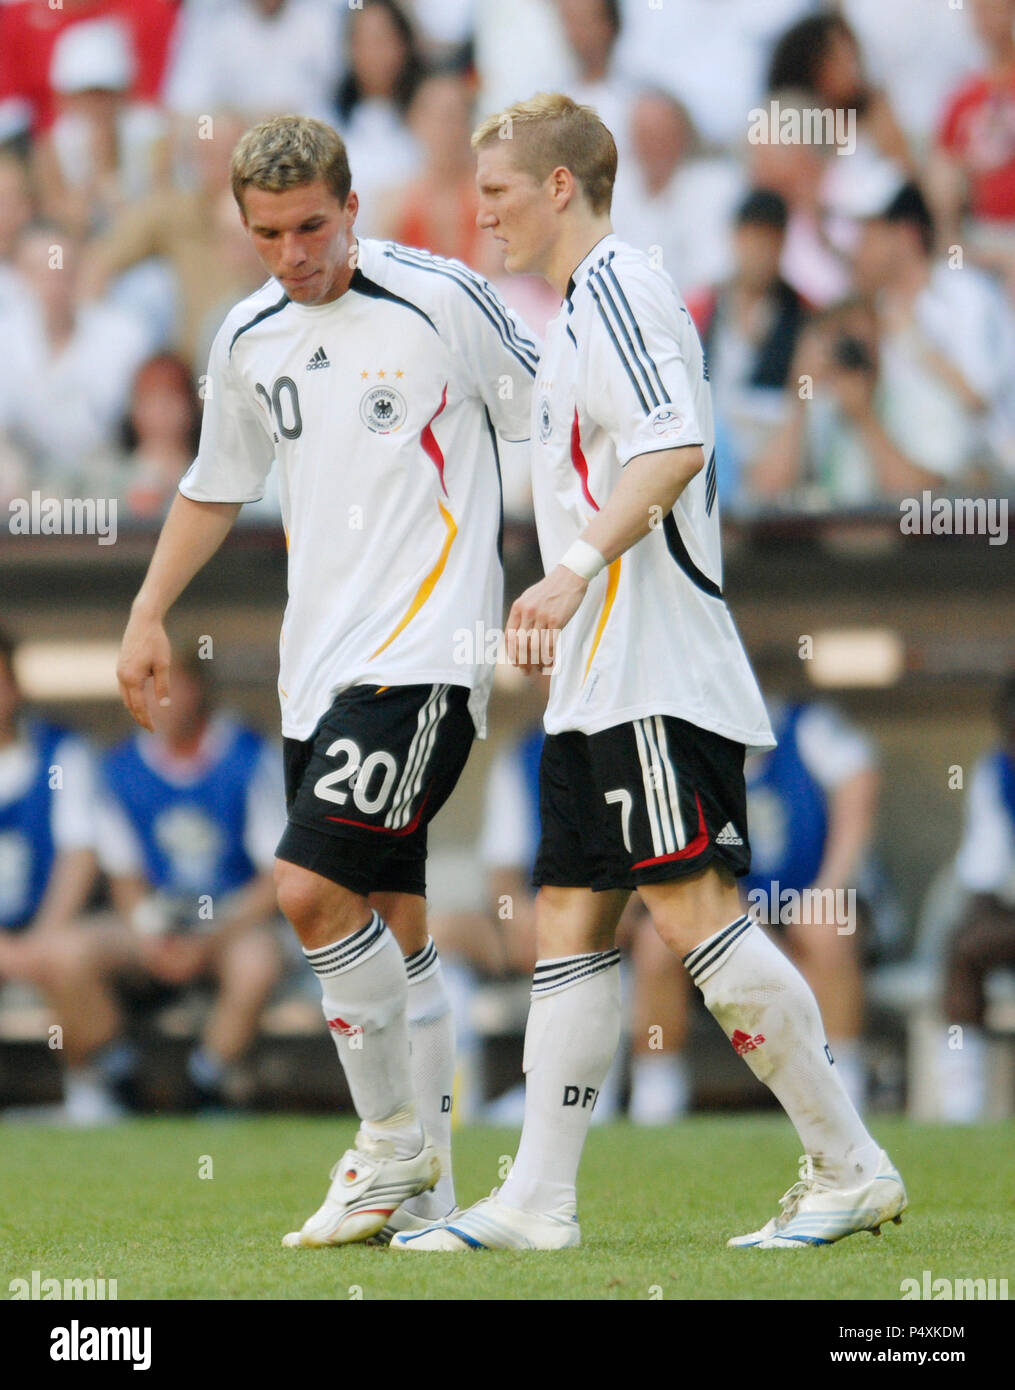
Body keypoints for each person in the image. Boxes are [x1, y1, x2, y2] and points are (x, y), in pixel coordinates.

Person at [396, 92, 906, 1253]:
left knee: (692, 910)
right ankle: (537, 1198)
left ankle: (849, 1161)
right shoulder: (580, 307)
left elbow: (678, 441)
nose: (482, 216)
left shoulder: (624, 286)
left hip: (654, 667)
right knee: (569, 920)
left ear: (561, 186)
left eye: (498, 193)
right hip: (597, 678)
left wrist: (569, 569)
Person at [116, 114, 537, 1246]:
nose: (294, 253)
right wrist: (149, 610)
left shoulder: (441, 299)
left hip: (428, 658)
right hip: (322, 673)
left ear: (352, 207)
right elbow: (214, 484)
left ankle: (389, 1143)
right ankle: (435, 1192)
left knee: (305, 887)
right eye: (268, 235)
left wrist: (578, 582)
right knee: (396, 925)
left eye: (312, 226)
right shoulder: (244, 334)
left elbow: (549, 423)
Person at [0, 627, 104, 1124]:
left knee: (66, 956)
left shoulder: (62, 752)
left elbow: (79, 855)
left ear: (15, 686)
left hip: (48, 924)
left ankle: (90, 1089)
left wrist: (39, 939)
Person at [937, 672, 1015, 1122]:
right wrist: (976, 931)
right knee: (964, 945)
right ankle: (961, 1100)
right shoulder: (996, 774)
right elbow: (983, 875)